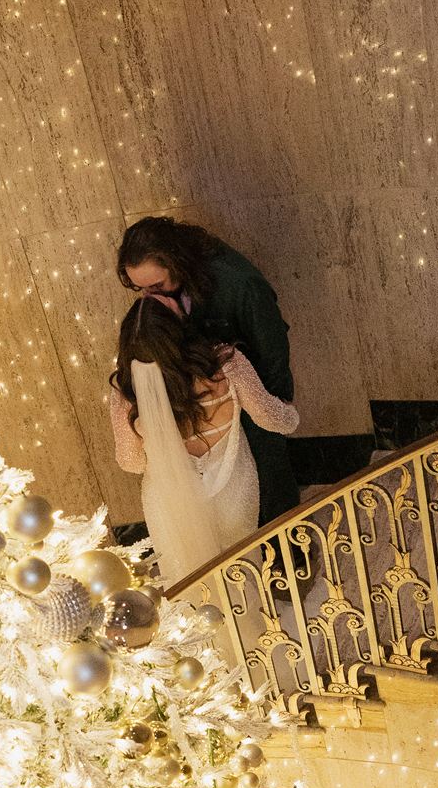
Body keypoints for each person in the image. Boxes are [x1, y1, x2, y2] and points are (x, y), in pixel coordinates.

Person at [116, 217, 297, 525]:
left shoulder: (240, 285)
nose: (149, 298)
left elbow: (273, 357)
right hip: (212, 410)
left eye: (156, 286)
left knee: (270, 484)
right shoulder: (167, 294)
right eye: (139, 289)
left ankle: (292, 556)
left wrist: (272, 412)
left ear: (178, 263)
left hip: (255, 394)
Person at [109, 296, 298, 588]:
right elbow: (272, 419)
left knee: (189, 584)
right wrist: (291, 413)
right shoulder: (225, 365)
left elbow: (131, 462)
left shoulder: (126, 392)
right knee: (241, 572)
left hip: (169, 501)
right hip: (232, 491)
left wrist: (164, 445)